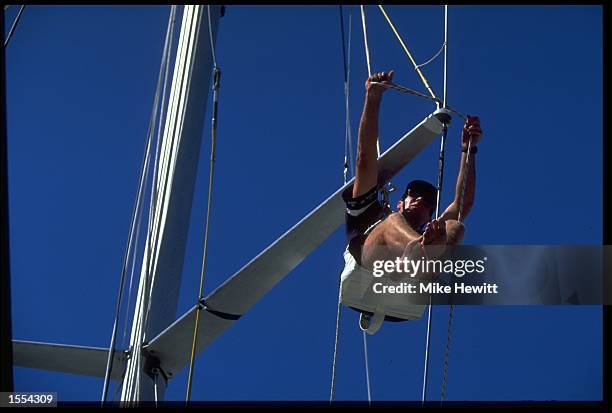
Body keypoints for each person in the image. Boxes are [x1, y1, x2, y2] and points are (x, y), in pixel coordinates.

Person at [342, 69, 483, 284]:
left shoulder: (429, 232)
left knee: (455, 226)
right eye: (414, 195)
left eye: (428, 203)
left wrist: (468, 150)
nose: (421, 200)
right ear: (399, 202)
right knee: (393, 223)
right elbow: (365, 158)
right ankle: (421, 256)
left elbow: (463, 203)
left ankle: (427, 263)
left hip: (408, 279)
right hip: (369, 264)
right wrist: (373, 97)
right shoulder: (369, 210)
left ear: (428, 217)